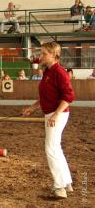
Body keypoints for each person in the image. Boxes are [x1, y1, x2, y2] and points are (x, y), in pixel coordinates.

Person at [22, 42, 75, 199]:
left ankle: (59, 187)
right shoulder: (48, 72)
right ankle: (66, 182)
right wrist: (32, 107)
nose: (41, 55)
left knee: (50, 148)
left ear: (54, 55)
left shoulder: (60, 72)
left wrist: (56, 114)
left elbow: (68, 96)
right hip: (51, 114)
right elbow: (46, 96)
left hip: (57, 115)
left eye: (44, 53)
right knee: (55, 148)